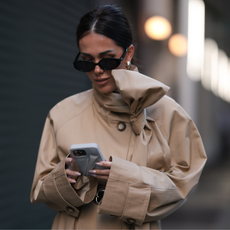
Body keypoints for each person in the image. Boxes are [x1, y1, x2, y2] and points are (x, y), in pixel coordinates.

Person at [30, 4, 207, 230]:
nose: (97, 70)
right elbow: (39, 188)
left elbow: (183, 182)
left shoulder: (166, 112)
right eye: (86, 61)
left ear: (129, 53)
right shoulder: (62, 113)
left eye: (107, 60)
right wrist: (65, 178)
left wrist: (122, 177)